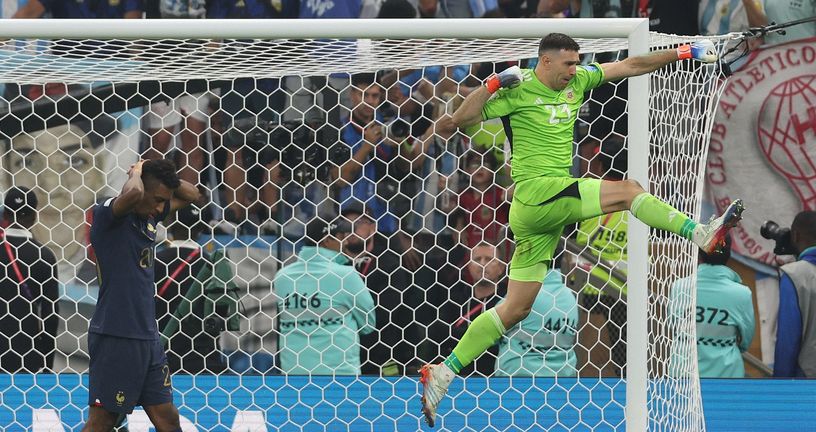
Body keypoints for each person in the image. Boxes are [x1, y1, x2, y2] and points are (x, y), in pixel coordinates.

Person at [420, 32, 745, 426]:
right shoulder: (517, 87)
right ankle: (698, 232)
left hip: (540, 213)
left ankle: (445, 370)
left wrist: (685, 52)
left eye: (577, 63)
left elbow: (631, 65)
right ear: (545, 62)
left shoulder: (579, 82)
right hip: (537, 194)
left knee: (516, 308)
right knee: (628, 191)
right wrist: (490, 85)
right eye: (568, 64)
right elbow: (460, 119)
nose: (575, 70)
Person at [83, 159, 199, 431]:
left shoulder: (148, 216)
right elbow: (133, 194)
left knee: (167, 417)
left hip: (148, 337)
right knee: (103, 421)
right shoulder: (107, 215)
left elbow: (192, 194)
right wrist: (138, 171)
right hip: (116, 334)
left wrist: (161, 173)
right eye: (158, 199)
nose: (162, 208)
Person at [274, 215, 377, 375]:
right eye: (342, 237)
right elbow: (368, 324)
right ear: (327, 240)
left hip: (293, 375)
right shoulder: (345, 276)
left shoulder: (282, 277)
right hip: (340, 377)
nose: (347, 241)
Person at [570, 136, 629, 377]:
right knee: (622, 354)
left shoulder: (588, 194)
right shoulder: (639, 199)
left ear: (600, 164)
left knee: (588, 358)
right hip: (626, 290)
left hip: (590, 289)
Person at [155, 200, 234, 374]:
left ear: (171, 225)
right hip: (204, 361)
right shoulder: (213, 265)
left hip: (162, 359)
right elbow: (223, 315)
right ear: (201, 230)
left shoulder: (156, 263)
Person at [669, 235, 755, 378]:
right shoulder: (742, 294)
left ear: (698, 252)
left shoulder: (679, 287)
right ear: (728, 255)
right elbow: (746, 341)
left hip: (683, 376)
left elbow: (674, 327)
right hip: (728, 376)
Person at [0, 187, 59, 373]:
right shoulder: (45, 257)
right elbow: (50, 315)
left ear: (6, 214)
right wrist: (47, 362)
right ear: (34, 215)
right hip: (27, 352)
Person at [495, 269, 578, 377]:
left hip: (518, 381)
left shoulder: (525, 297)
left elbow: (487, 330)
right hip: (563, 379)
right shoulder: (570, 296)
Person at [774, 211, 816, 378]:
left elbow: (788, 340)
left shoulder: (795, 275)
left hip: (806, 383)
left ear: (796, 235)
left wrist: (780, 386)